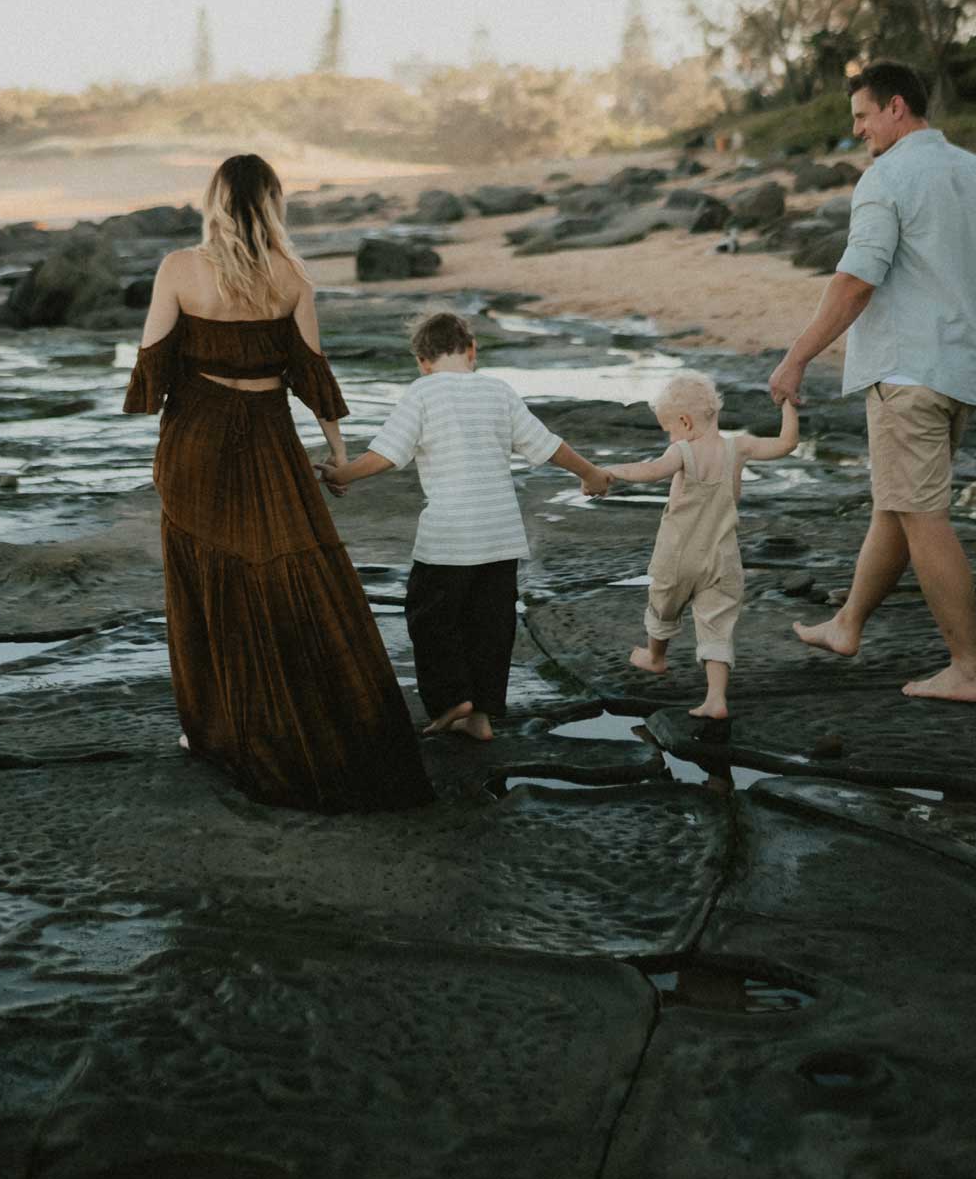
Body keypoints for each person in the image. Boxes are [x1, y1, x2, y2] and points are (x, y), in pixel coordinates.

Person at [123, 153, 431, 811]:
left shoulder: (180, 269)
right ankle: (319, 718)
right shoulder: (291, 276)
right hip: (269, 438)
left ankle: (212, 731)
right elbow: (313, 376)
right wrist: (339, 458)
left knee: (204, 579)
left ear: (213, 201)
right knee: (292, 572)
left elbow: (152, 363)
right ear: (272, 204)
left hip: (194, 440)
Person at [767, 61, 976, 704]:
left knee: (922, 515)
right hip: (957, 373)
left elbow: (856, 280)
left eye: (862, 115)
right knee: (898, 505)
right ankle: (847, 624)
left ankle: (968, 668)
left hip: (908, 376)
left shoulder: (889, 176)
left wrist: (797, 357)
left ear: (897, 109)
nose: (856, 130)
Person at [321, 309, 612, 743]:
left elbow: (387, 454)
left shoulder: (422, 393)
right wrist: (590, 473)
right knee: (490, 626)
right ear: (472, 351)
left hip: (449, 537)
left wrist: (340, 475)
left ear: (422, 360)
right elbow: (547, 444)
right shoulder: (499, 391)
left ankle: (452, 699)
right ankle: (482, 715)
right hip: (500, 535)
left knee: (430, 617)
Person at [589, 370, 799, 725]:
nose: (670, 435)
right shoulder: (739, 446)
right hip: (723, 556)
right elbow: (786, 443)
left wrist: (610, 470)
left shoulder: (682, 451)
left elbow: (651, 470)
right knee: (717, 624)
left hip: (677, 555)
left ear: (684, 422)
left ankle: (656, 657)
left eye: (669, 428)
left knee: (663, 607)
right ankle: (715, 698)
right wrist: (789, 404)